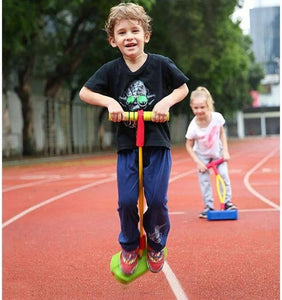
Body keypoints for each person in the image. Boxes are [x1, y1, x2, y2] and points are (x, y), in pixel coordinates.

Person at [79, 3, 189, 275]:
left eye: (135, 30)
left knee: (157, 199)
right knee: (127, 201)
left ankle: (155, 243)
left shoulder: (161, 64)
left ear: (146, 35)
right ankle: (129, 245)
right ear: (113, 40)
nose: (129, 36)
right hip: (128, 146)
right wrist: (110, 103)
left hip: (157, 144)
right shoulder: (111, 70)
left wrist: (164, 103)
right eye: (122, 32)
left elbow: (182, 88)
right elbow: (84, 93)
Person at [185, 87, 237, 219]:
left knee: (224, 175)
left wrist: (225, 151)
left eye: (202, 107)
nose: (199, 111)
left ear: (208, 105)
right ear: (191, 107)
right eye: (196, 108)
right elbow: (189, 146)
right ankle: (208, 206)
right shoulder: (193, 126)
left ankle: (227, 203)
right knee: (204, 181)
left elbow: (222, 134)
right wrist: (199, 163)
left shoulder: (217, 118)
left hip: (217, 153)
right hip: (202, 156)